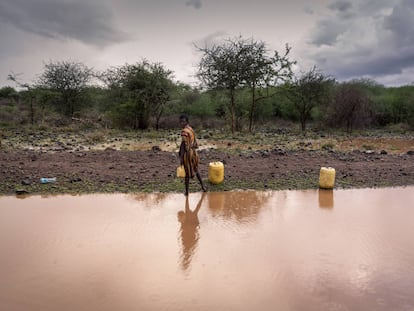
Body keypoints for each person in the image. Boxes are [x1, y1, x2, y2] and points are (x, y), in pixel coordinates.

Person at [178, 114, 207, 196]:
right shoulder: (190, 129)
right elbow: (188, 142)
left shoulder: (184, 132)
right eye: (180, 122)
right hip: (194, 152)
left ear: (187, 121)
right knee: (196, 169)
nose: (182, 123)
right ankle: (203, 187)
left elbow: (183, 144)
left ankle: (187, 192)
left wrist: (181, 157)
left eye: (183, 121)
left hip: (188, 154)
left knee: (187, 173)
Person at [177, 192, 206, 271]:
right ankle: (200, 197)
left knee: (193, 209)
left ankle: (197, 197)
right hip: (191, 226)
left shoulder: (186, 247)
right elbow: (194, 237)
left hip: (191, 225)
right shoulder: (188, 247)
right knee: (194, 209)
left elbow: (191, 236)